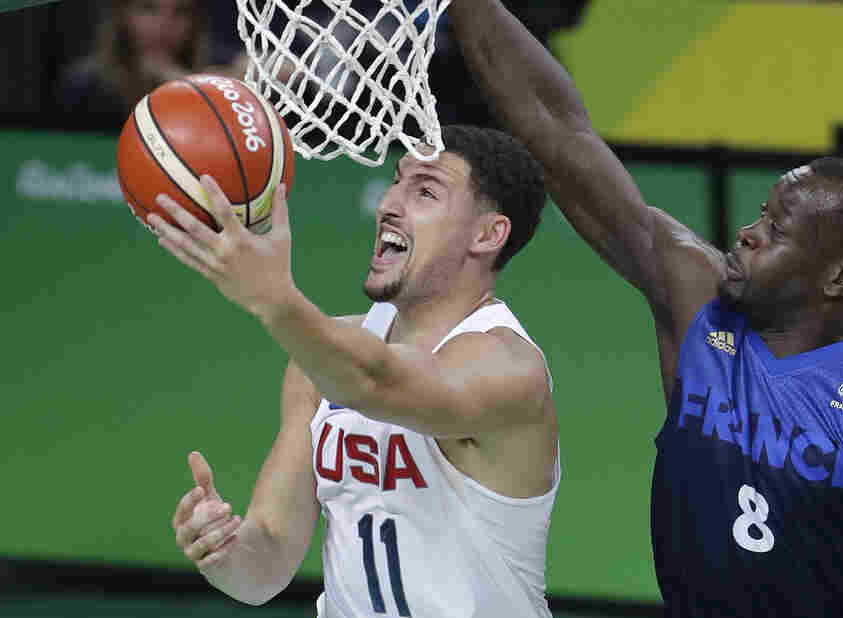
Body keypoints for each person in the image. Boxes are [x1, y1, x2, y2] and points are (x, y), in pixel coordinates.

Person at [446, 2, 843, 617]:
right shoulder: (697, 302)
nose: (747, 233)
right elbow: (558, 133)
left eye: (778, 231)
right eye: (761, 216)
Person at [157, 125, 559, 618]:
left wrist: (272, 296)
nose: (390, 203)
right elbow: (264, 569)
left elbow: (377, 382)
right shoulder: (322, 361)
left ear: (488, 234)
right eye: (397, 180)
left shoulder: (508, 366)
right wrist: (220, 551)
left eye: (426, 191)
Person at [56, 0, 245, 133]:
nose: (164, 25)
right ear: (123, 13)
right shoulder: (83, 86)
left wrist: (179, 80)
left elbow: (263, 64)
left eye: (181, 12)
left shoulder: (213, 66)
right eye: (149, 8)